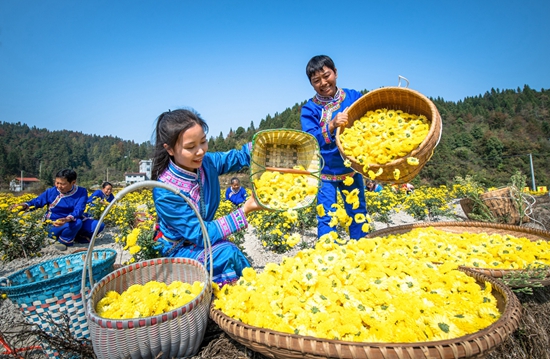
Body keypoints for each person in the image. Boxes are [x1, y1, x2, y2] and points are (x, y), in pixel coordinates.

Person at [151, 108, 263, 286]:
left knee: (228, 253)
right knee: (228, 252)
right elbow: (200, 234)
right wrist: (246, 209)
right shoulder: (165, 192)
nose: (200, 151)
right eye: (190, 147)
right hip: (178, 250)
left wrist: (262, 147)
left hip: (203, 241)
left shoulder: (206, 163)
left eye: (203, 142)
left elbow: (238, 157)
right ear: (170, 149)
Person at [300, 55, 370, 241]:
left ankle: (362, 250)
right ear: (312, 84)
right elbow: (310, 140)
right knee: (326, 217)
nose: (323, 82)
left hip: (352, 169)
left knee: (358, 213)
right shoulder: (310, 110)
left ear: (336, 73)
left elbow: (369, 121)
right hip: (325, 172)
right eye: (316, 80)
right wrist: (331, 125)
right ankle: (328, 258)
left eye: (326, 75)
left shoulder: (354, 97)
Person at [11, 169, 88, 251]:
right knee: (77, 223)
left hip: (70, 219)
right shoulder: (51, 192)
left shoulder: (81, 191)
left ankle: (74, 235)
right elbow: (37, 201)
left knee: (97, 226)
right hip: (53, 223)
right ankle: (64, 240)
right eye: (57, 183)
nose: (58, 186)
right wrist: (24, 205)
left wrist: (67, 219)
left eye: (62, 184)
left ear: (73, 182)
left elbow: (79, 209)